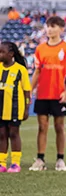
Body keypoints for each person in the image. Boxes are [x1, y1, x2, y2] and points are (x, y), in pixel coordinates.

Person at [30, 16, 66, 171]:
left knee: (59, 126)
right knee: (42, 127)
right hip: (42, 93)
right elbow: (37, 71)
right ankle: (40, 159)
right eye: (48, 26)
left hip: (58, 94)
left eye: (53, 26)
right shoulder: (40, 49)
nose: (49, 29)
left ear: (61, 29)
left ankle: (60, 159)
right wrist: (29, 90)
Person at [0, 41, 31, 173]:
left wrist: (26, 108)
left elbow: (27, 91)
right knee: (1, 134)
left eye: (2, 52)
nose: (0, 54)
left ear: (11, 54)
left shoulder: (20, 69)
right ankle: (1, 163)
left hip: (14, 109)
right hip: (1, 109)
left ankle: (15, 163)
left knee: (13, 133)